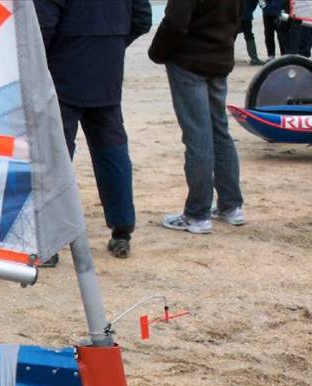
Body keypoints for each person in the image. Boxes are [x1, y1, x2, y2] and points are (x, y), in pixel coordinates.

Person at [35, 0, 152, 259]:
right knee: (111, 149)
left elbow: (42, 27)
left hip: (63, 70)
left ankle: (50, 240)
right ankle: (122, 229)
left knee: (56, 155)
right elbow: (142, 18)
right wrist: (110, 45)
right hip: (106, 69)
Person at [150, 0, 245, 235]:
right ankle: (231, 206)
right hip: (219, 57)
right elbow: (239, 16)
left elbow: (175, 21)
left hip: (189, 61)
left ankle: (197, 213)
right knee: (219, 132)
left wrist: (157, 53)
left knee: (198, 136)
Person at [239, 0, 265, 65]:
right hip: (245, 15)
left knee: (231, 35)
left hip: (238, 14)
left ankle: (226, 56)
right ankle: (254, 58)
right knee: (249, 36)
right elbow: (261, 4)